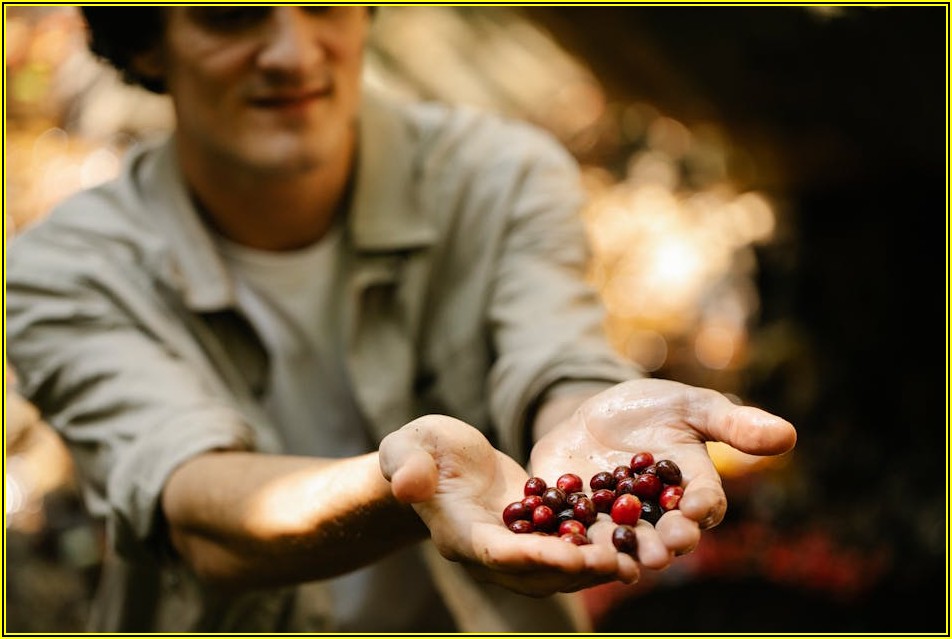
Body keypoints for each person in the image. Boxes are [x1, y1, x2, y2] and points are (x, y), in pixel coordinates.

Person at [4, 6, 797, 634]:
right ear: (147, 43)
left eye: (323, 5)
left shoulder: (498, 177)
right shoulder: (61, 272)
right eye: (232, 15)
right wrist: (404, 485)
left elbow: (556, 358)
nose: (293, 51)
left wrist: (598, 420)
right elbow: (200, 510)